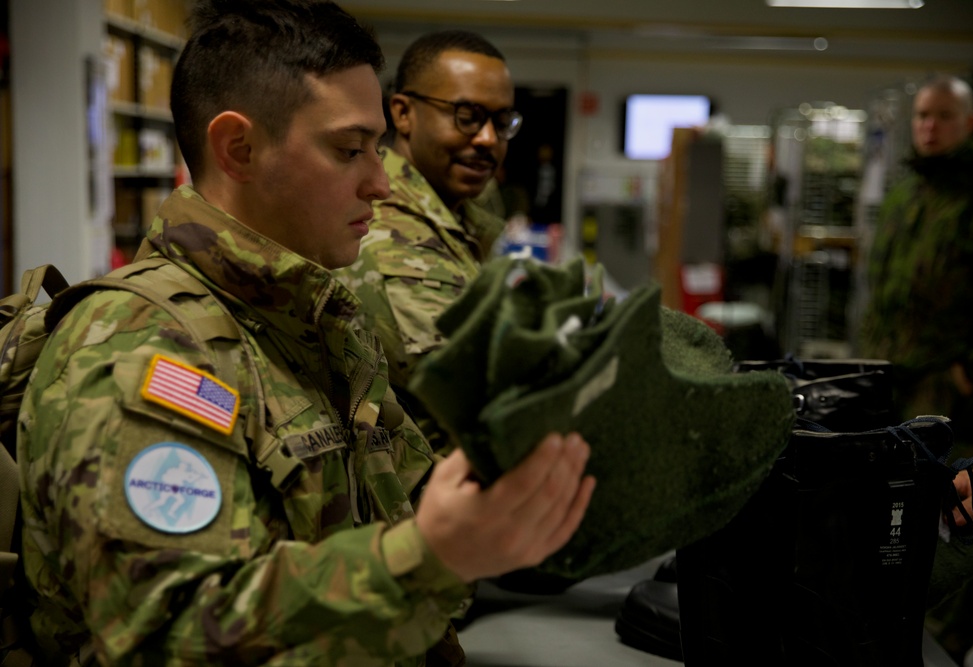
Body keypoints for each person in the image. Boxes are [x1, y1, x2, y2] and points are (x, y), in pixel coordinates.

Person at [15, 2, 595, 665]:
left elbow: (408, 501)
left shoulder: (321, 322)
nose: (380, 184)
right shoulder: (141, 347)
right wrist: (426, 557)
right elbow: (165, 634)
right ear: (239, 148)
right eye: (349, 150)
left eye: (377, 149)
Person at [859, 73, 973, 665]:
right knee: (886, 522)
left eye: (942, 115)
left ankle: (945, 651)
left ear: (969, 123)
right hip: (889, 381)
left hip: (946, 385)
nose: (928, 126)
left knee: (948, 523)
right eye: (921, 116)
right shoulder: (903, 194)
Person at [339, 30, 521, 452]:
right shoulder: (395, 246)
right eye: (467, 116)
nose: (488, 139)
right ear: (403, 114)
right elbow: (499, 406)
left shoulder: (455, 205)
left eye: (502, 121)